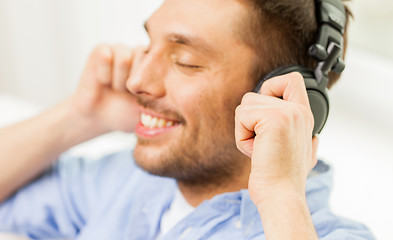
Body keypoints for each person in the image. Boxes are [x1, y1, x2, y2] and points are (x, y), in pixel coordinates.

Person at [0, 0, 375, 239]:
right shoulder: (124, 181)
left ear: (275, 95)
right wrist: (80, 115)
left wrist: (281, 199)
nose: (136, 81)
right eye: (148, 47)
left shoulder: (326, 234)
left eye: (185, 62)